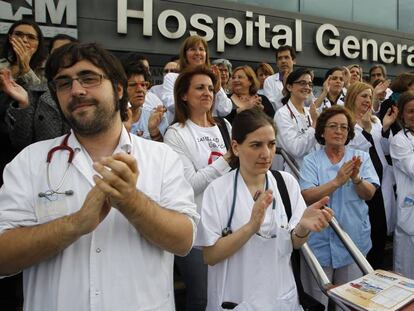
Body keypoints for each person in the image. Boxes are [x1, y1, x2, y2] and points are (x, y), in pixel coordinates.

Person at [0, 42, 199, 311]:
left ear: (118, 89)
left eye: (89, 78)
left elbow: (184, 240)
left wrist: (132, 202)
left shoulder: (162, 158)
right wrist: (75, 224)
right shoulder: (31, 161)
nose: (76, 90)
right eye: (63, 83)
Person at [196, 108, 333, 310]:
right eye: (256, 145)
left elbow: (294, 243)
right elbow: (210, 256)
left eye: (271, 144)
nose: (266, 154)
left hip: (280, 296)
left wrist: (303, 228)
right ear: (235, 147)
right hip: (236, 298)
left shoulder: (286, 184)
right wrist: (251, 227)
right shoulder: (217, 191)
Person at [164, 65, 232, 311]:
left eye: (211, 88)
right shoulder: (175, 133)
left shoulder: (224, 127)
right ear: (184, 95)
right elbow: (189, 184)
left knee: (226, 294)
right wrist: (226, 160)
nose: (207, 93)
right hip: (195, 232)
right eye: (200, 88)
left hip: (227, 227)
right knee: (201, 298)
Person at [299, 106, 379, 309]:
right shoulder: (311, 160)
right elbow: (307, 196)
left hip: (353, 243)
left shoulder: (361, 157)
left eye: (344, 127)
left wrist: (356, 179)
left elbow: (369, 194)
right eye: (333, 126)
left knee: (351, 302)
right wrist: (337, 181)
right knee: (318, 301)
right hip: (319, 244)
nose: (339, 131)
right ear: (322, 132)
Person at [344, 82, 398, 268]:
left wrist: (384, 128)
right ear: (352, 97)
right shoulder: (345, 122)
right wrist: (365, 130)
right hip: (360, 186)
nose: (368, 101)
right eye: (364, 96)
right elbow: (353, 152)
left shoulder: (374, 121)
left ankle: (376, 273)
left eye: (370, 97)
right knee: (366, 233)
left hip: (381, 184)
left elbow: (383, 149)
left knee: (380, 232)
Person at [1, 35, 78, 151]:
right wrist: (24, 104)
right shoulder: (39, 90)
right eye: (57, 51)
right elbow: (20, 141)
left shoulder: (84, 91)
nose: (63, 56)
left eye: (68, 50)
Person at [161, 35, 232, 119]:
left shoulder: (210, 80)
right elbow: (171, 104)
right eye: (193, 49)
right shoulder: (172, 78)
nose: (198, 53)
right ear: (185, 54)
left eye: (201, 49)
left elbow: (225, 109)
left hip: (207, 129)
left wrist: (218, 89)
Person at [273, 68, 318, 171]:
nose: (307, 87)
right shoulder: (282, 114)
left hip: (312, 171)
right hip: (291, 172)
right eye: (302, 83)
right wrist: (315, 124)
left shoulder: (310, 112)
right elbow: (295, 149)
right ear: (289, 87)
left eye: (309, 84)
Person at [390, 91, 414, 279]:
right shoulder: (400, 140)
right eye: (411, 111)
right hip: (410, 214)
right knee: (407, 277)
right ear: (402, 115)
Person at [123, 63, 168, 141]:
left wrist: (154, 131)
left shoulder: (156, 118)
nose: (140, 89)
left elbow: (164, 150)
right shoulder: (111, 119)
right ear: (120, 89)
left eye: (143, 84)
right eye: (133, 85)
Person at [0, 20, 47, 87]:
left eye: (31, 37)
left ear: (38, 43)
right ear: (10, 38)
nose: (24, 40)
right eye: (18, 34)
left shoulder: (46, 69)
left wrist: (26, 70)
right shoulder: (2, 65)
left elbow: (43, 96)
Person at [263, 45, 296, 112]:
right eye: (280, 58)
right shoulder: (269, 81)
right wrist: (284, 91)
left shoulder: (301, 79)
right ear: (277, 63)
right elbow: (271, 107)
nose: (283, 61)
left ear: (294, 61)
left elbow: (308, 103)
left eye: (286, 57)